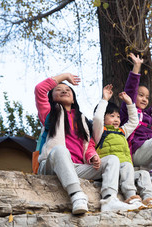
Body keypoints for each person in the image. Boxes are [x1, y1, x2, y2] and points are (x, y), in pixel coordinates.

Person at [34, 73, 136, 214]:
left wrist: (92, 155)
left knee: (112, 159)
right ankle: (76, 195)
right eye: (59, 89)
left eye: (68, 90)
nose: (64, 90)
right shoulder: (49, 112)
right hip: (52, 164)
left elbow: (89, 144)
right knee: (60, 150)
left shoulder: (82, 120)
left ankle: (109, 200)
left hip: (77, 167)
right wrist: (64, 77)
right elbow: (40, 89)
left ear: (74, 98)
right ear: (51, 97)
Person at [93, 84, 152, 208]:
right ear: (104, 118)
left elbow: (134, 121)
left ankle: (149, 198)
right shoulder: (100, 132)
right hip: (111, 172)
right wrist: (105, 100)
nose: (116, 119)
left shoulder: (122, 132)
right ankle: (131, 196)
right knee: (127, 165)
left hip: (126, 173)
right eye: (112, 116)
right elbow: (97, 119)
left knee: (143, 174)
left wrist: (129, 103)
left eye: (118, 116)